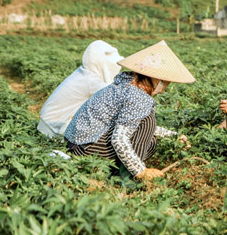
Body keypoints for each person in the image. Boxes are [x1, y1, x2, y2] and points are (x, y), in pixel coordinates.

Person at [64, 41, 195, 181]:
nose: (163, 91)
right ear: (156, 79)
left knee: (150, 140)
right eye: (164, 84)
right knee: (148, 120)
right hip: (86, 150)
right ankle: (126, 179)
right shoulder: (138, 96)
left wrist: (173, 136)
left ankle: (118, 171)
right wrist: (140, 171)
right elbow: (119, 138)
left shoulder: (125, 85)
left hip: (75, 147)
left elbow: (133, 124)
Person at [38, 40, 123, 139]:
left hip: (46, 123)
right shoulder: (92, 81)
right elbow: (116, 100)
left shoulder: (83, 73)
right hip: (53, 128)